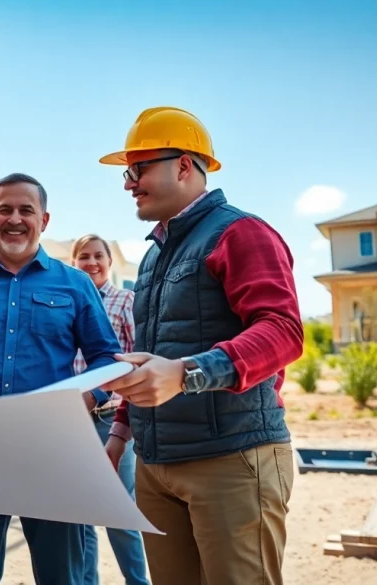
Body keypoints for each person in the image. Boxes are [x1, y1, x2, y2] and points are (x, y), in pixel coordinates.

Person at [97, 107, 303, 585]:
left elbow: (283, 330)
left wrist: (189, 371)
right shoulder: (152, 258)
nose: (129, 183)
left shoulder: (241, 233)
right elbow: (150, 355)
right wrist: (121, 434)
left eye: (138, 169)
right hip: (156, 464)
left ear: (184, 166)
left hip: (230, 459)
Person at [0, 172, 124, 585]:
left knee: (62, 574)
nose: (15, 219)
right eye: (6, 210)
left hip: (54, 452)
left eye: (26, 210)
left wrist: (87, 399)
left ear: (45, 219)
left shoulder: (74, 284)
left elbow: (106, 357)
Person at [70, 235, 150, 585]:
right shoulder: (69, 302)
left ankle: (137, 580)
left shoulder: (124, 301)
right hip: (71, 423)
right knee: (81, 512)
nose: (91, 263)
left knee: (120, 510)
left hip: (110, 420)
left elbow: (135, 360)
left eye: (98, 256)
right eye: (83, 257)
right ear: (74, 263)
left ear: (109, 262)